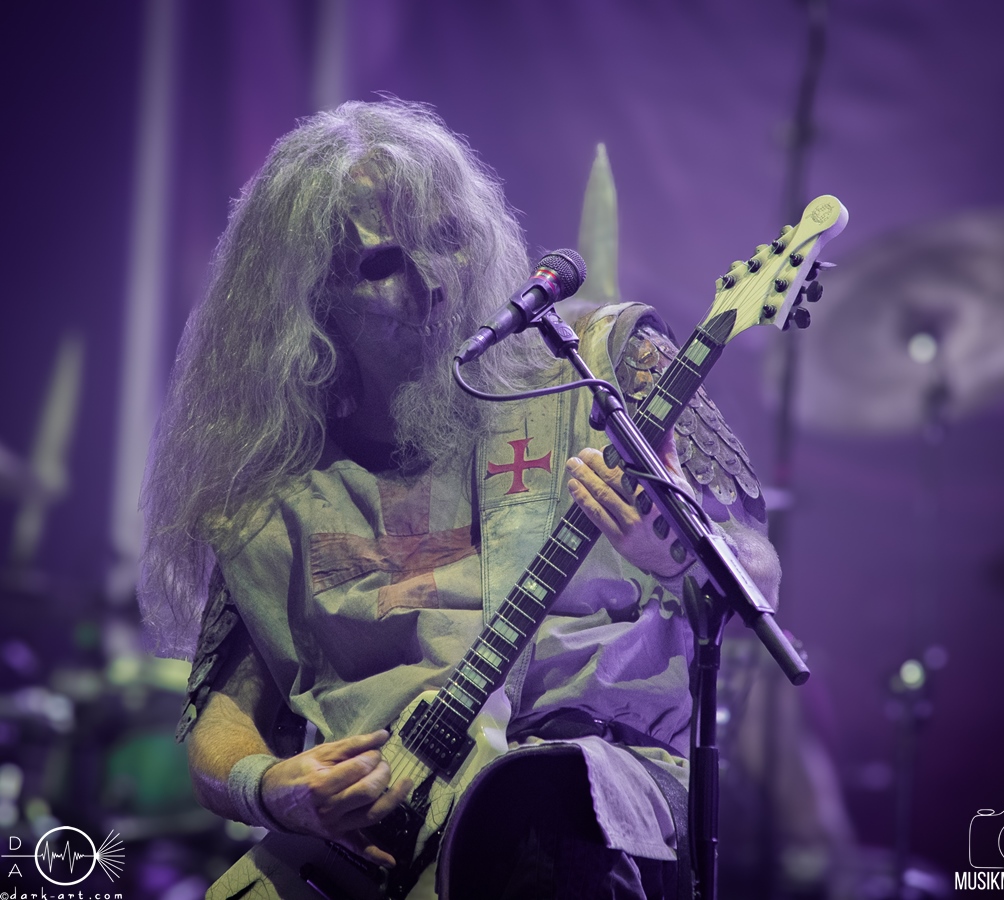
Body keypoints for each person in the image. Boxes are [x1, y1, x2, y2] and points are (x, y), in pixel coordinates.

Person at [139, 99, 780, 899]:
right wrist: (272, 790)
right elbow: (223, 719)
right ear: (312, 301)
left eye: (447, 237)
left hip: (590, 797)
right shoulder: (273, 486)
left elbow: (759, 571)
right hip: (370, 843)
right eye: (381, 265)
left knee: (532, 810)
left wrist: (671, 548)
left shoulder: (605, 364)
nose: (433, 282)